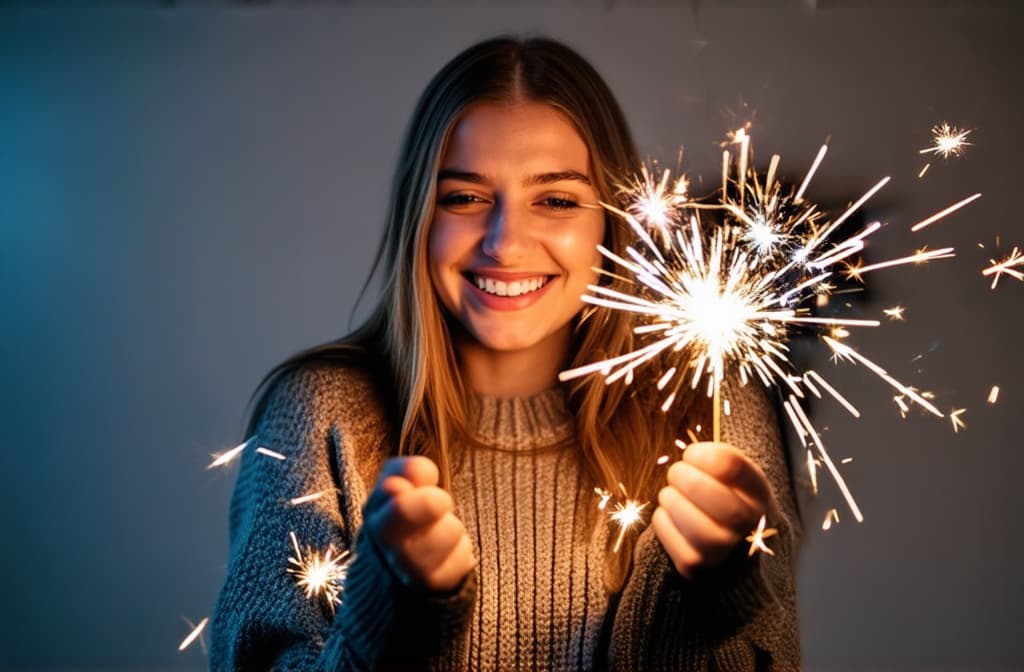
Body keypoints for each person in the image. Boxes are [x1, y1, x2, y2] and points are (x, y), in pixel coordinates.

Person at [210, 35, 801, 671]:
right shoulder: (322, 415)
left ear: (611, 220)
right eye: (464, 197)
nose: (506, 243)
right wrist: (387, 623)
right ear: (421, 218)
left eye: (556, 200)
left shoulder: (711, 407)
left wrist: (722, 596)